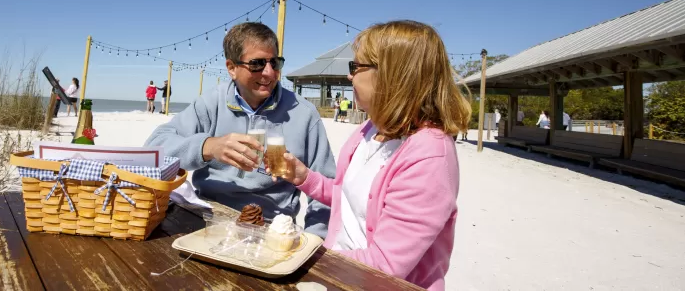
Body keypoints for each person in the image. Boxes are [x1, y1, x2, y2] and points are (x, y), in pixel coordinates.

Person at [268, 20, 469, 290]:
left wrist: (297, 254)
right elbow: (351, 201)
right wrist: (304, 177)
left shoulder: (429, 155)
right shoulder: (370, 129)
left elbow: (383, 266)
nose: (350, 76)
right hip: (337, 276)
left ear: (392, 75)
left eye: (356, 66)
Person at [144, 22, 336, 238]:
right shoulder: (211, 104)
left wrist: (315, 241)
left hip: (271, 228)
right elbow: (154, 149)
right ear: (231, 68)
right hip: (206, 219)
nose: (270, 73)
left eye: (275, 63)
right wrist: (208, 147)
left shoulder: (304, 114)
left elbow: (327, 192)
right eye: (257, 64)